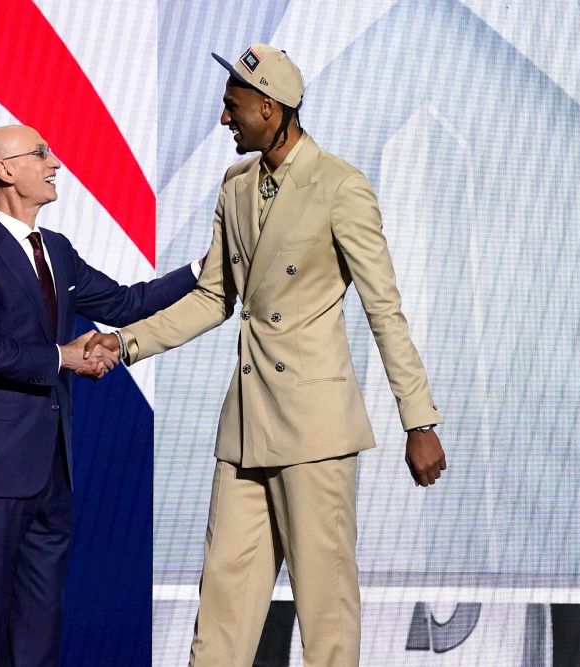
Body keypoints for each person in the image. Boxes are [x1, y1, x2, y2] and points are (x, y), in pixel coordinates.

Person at [86, 44, 447, 666]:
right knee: (221, 608)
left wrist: (419, 421)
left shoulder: (340, 185)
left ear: (269, 107)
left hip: (314, 427)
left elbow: (383, 309)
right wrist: (125, 342)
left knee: (325, 613)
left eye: (233, 108)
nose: (225, 120)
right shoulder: (235, 186)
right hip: (247, 426)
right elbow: (213, 297)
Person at [0, 124, 199, 666]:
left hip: (52, 468)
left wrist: (207, 267)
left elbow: (128, 304)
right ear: (6, 170)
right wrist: (64, 357)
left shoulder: (57, 251)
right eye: (41, 153)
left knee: (40, 619)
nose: (56, 162)